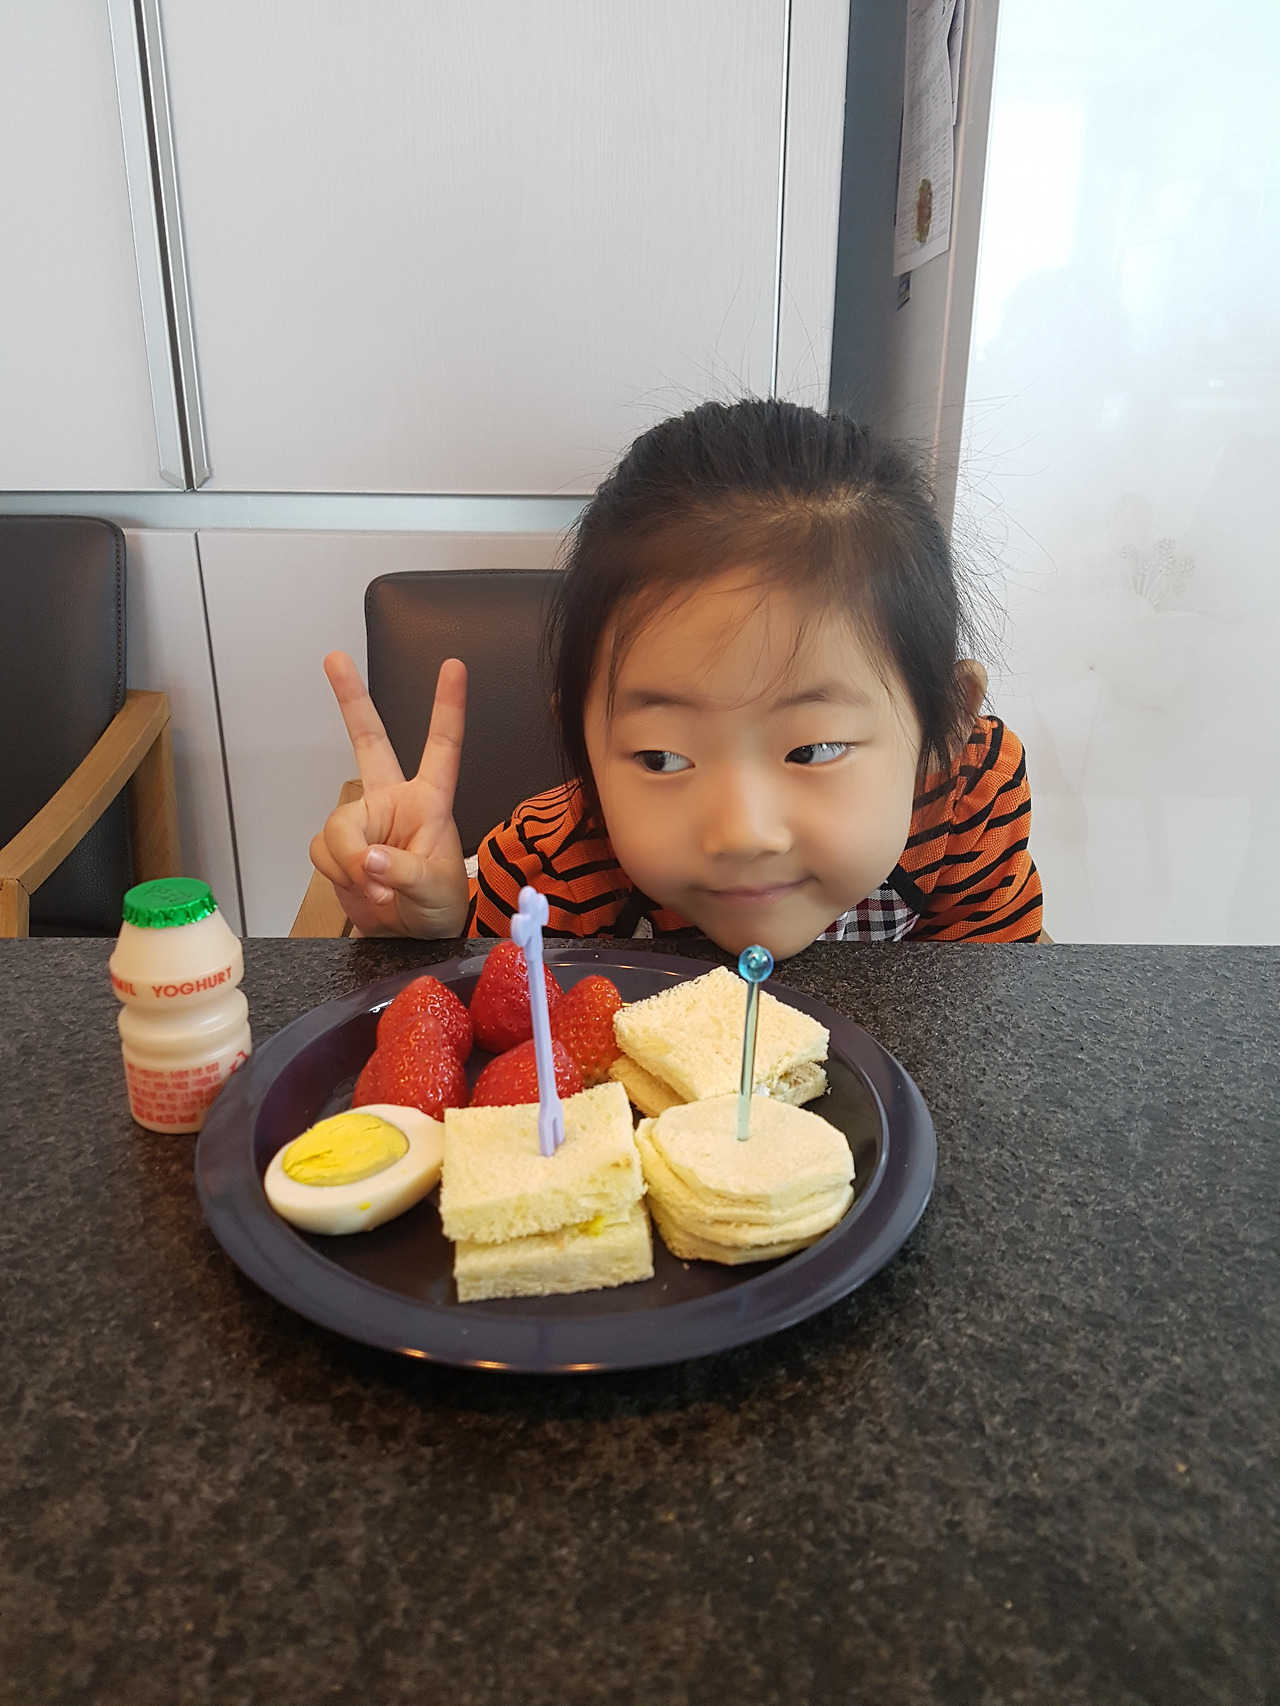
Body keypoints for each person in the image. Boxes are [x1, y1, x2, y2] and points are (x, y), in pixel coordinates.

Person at [310, 399, 1043, 957]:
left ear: (946, 723)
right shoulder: (546, 872)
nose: (741, 833)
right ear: (587, 743)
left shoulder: (970, 805)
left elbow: (993, 1017)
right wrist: (428, 938)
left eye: (814, 749)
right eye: (661, 757)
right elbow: (494, 1029)